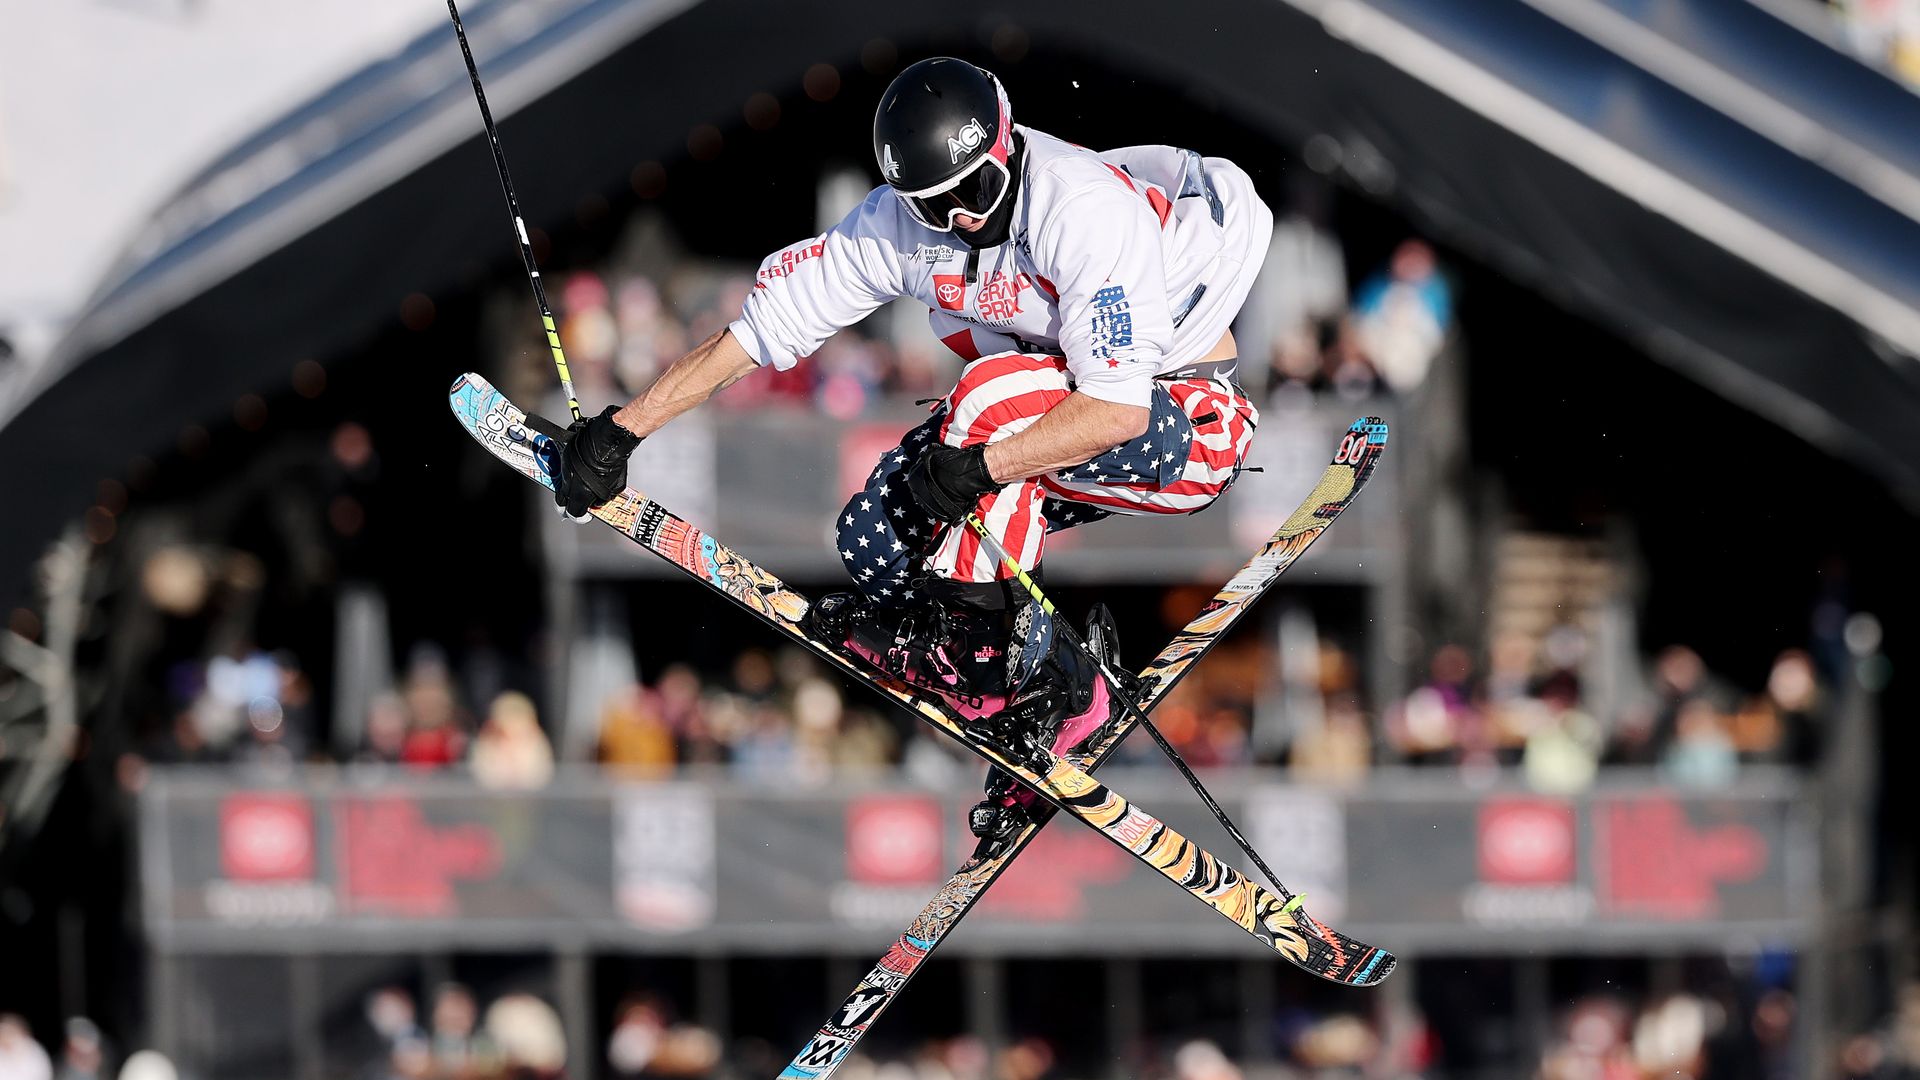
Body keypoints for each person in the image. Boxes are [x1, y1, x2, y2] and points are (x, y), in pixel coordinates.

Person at [538, 58, 1272, 837]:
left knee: (986, 399)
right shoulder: (894, 228)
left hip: (1187, 424)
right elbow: (758, 332)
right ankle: (1029, 705)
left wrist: (979, 471)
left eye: (975, 191)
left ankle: (1039, 681)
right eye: (932, 204)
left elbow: (1117, 411)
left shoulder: (1079, 210)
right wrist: (622, 432)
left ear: (1007, 147)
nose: (957, 217)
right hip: (1039, 432)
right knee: (875, 542)